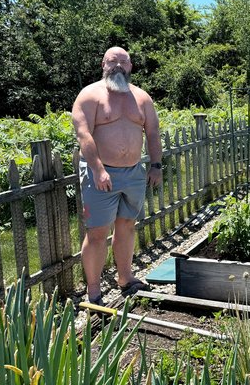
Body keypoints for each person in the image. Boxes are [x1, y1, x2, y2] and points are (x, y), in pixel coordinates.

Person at [72, 46, 163, 305]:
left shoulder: (142, 98)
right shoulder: (89, 95)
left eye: (124, 61)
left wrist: (156, 165)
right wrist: (98, 170)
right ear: (103, 64)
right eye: (113, 61)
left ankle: (125, 278)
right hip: (100, 174)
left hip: (133, 173)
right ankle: (93, 291)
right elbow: (84, 135)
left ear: (131, 67)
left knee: (127, 226)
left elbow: (153, 133)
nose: (119, 66)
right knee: (97, 233)